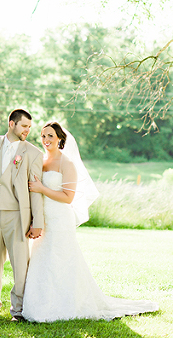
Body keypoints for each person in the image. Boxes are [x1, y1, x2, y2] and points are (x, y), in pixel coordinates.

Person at [21, 121, 159, 321]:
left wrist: (42, 188)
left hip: (60, 219)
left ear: (60, 138)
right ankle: (40, 303)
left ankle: (66, 304)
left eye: (50, 135)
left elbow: (68, 197)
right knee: (42, 259)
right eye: (43, 136)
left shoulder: (67, 163)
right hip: (43, 219)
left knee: (61, 260)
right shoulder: (39, 161)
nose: (46, 140)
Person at [0, 108, 44, 321]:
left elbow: (35, 191)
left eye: (29, 127)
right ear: (11, 123)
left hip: (18, 217)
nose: (27, 131)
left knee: (20, 266)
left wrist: (37, 221)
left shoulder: (33, 153)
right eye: (24, 126)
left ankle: (20, 311)